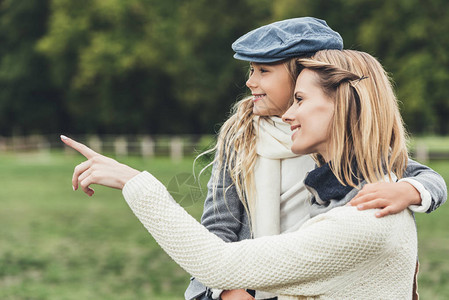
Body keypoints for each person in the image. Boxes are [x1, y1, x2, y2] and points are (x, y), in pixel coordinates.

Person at [61, 49, 445, 299]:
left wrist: (134, 182)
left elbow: (214, 260)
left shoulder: (367, 212)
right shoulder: (245, 139)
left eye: (299, 99)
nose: (289, 114)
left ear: (343, 105)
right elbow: (219, 228)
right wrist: (226, 290)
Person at [187, 18, 446, 300]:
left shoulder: (338, 140)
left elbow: (427, 178)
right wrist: (223, 291)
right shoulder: (239, 136)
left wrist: (408, 190)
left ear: (302, 72)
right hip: (247, 285)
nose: (250, 81)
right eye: (251, 70)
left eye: (264, 70)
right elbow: (216, 227)